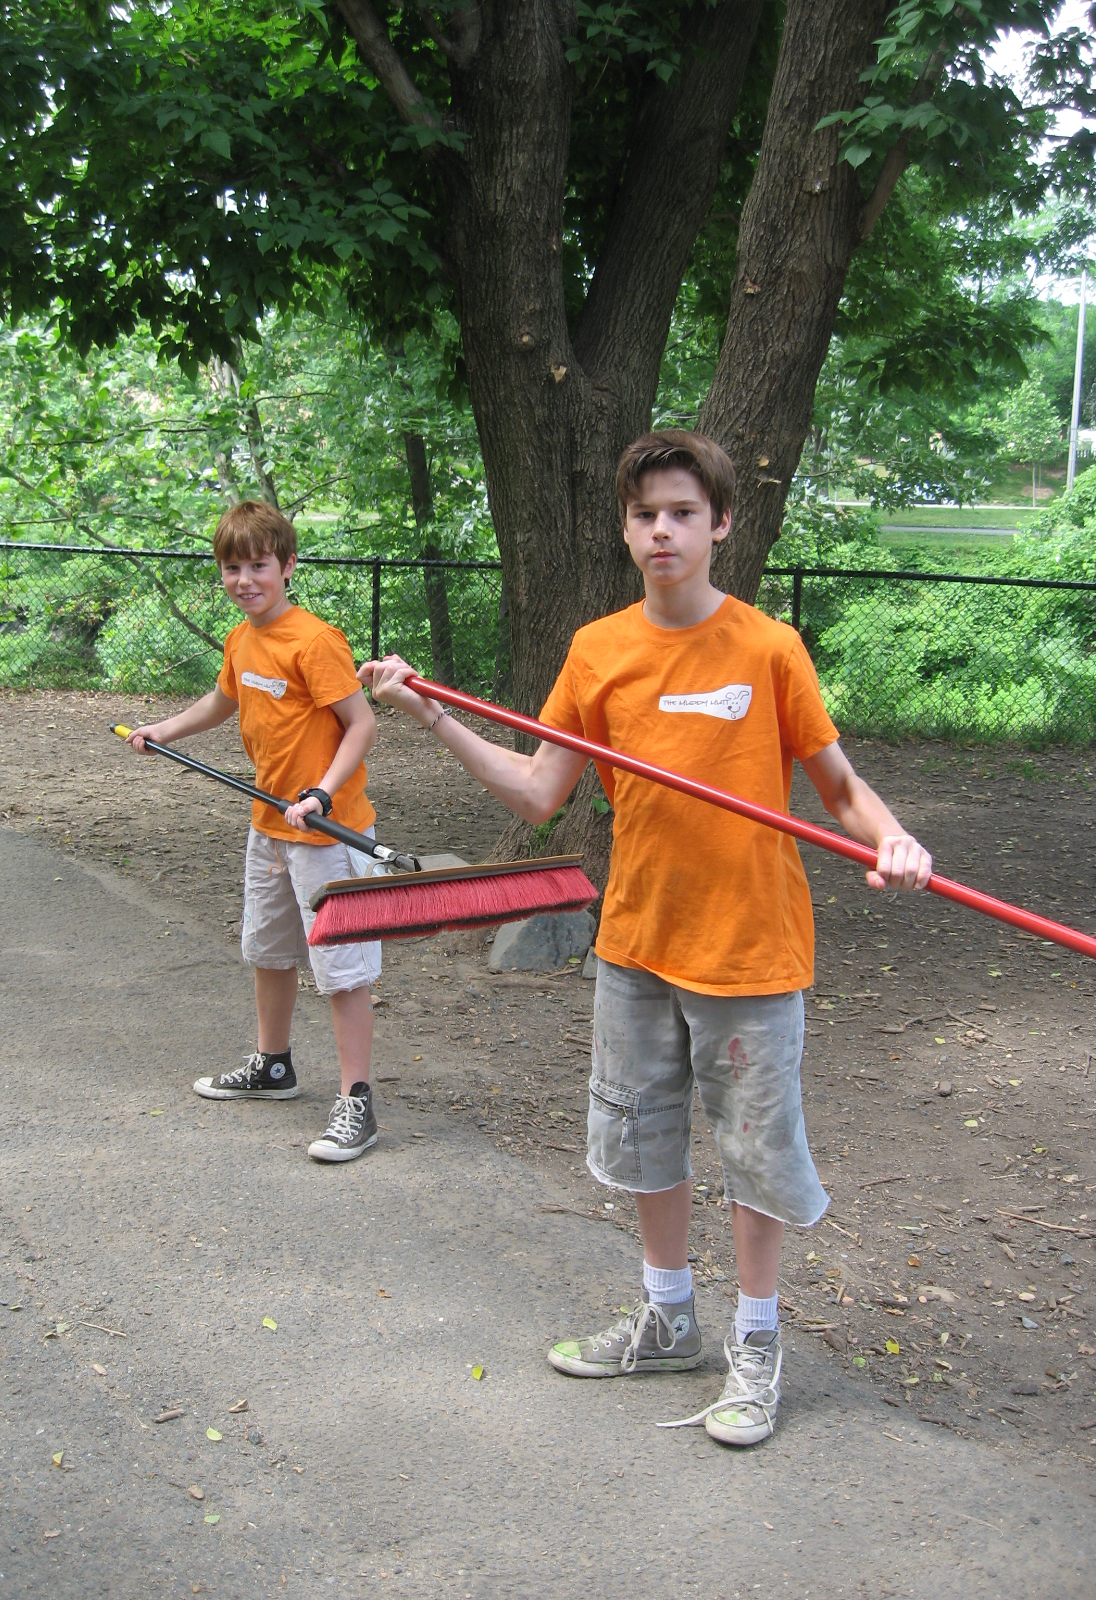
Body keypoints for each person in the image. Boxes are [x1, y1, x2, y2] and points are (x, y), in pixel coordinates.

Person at [361, 430, 932, 1446]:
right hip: (636, 942)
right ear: (625, 530)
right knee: (642, 1137)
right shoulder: (599, 650)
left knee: (754, 1151)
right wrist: (429, 715)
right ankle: (669, 1319)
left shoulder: (768, 647)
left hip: (750, 951)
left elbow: (840, 787)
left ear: (721, 524)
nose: (662, 530)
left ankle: (757, 1339)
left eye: (681, 512)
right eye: (644, 514)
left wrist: (894, 838)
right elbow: (538, 791)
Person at [125, 500, 382, 1163]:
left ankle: (357, 1100)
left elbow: (361, 725)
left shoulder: (315, 641)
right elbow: (225, 699)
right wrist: (164, 730)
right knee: (269, 951)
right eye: (232, 568)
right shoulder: (241, 639)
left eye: (259, 566)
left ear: (288, 565)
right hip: (269, 827)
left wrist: (323, 790)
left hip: (327, 832)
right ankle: (273, 1065)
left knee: (341, 970)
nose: (245, 580)